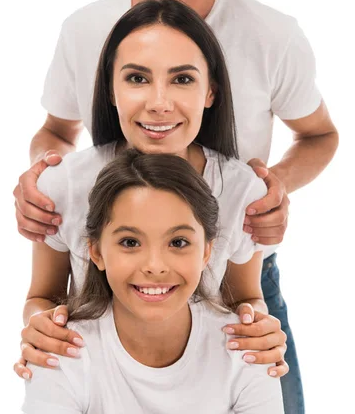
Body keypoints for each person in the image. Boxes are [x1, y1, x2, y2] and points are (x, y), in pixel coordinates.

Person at [13, 0, 338, 413]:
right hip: (112, 275)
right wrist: (44, 182)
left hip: (238, 261)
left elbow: (319, 135)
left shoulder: (273, 35)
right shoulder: (85, 31)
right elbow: (56, 134)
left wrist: (271, 194)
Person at [17, 0, 287, 384]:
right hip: (96, 386)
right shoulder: (63, 186)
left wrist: (257, 325)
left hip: (201, 388)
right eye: (137, 79)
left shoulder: (243, 190)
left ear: (210, 92)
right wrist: (40, 325)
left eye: (182, 79)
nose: (159, 104)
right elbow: (40, 297)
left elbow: (245, 298)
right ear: (111, 89)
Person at [22, 150, 284, 413]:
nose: (155, 266)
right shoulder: (61, 352)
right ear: (97, 252)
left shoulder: (248, 351)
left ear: (206, 252)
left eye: (178, 242)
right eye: (130, 242)